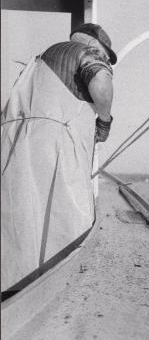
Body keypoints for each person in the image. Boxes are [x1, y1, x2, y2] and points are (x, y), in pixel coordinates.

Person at [1, 23, 117, 297]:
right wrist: (104, 119)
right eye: (104, 53)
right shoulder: (83, 53)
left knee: (18, 231)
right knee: (65, 229)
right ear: (93, 44)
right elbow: (100, 81)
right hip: (55, 152)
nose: (105, 58)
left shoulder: (36, 64)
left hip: (15, 150)